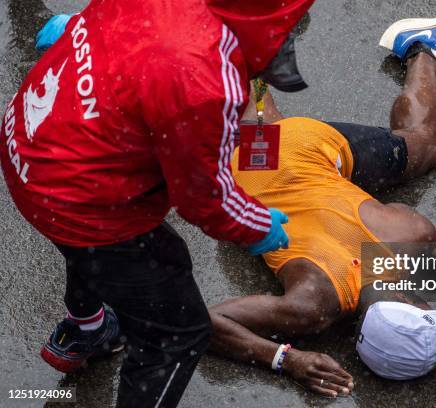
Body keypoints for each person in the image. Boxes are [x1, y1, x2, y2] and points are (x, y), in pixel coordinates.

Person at [0, 1, 314, 407]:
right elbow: (203, 197)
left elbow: (110, 26)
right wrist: (255, 225)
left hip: (34, 146)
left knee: (97, 254)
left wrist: (77, 26)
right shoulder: (206, 82)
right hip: (79, 196)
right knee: (177, 332)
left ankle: (87, 326)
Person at [208, 10, 436, 398]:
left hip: (291, 155)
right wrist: (286, 356)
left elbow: (201, 322)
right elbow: (212, 319)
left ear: (411, 299)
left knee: (421, 143)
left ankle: (423, 51)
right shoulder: (314, 307)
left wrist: (285, 360)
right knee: (260, 121)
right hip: (255, 173)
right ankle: (243, 39)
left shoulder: (408, 238)